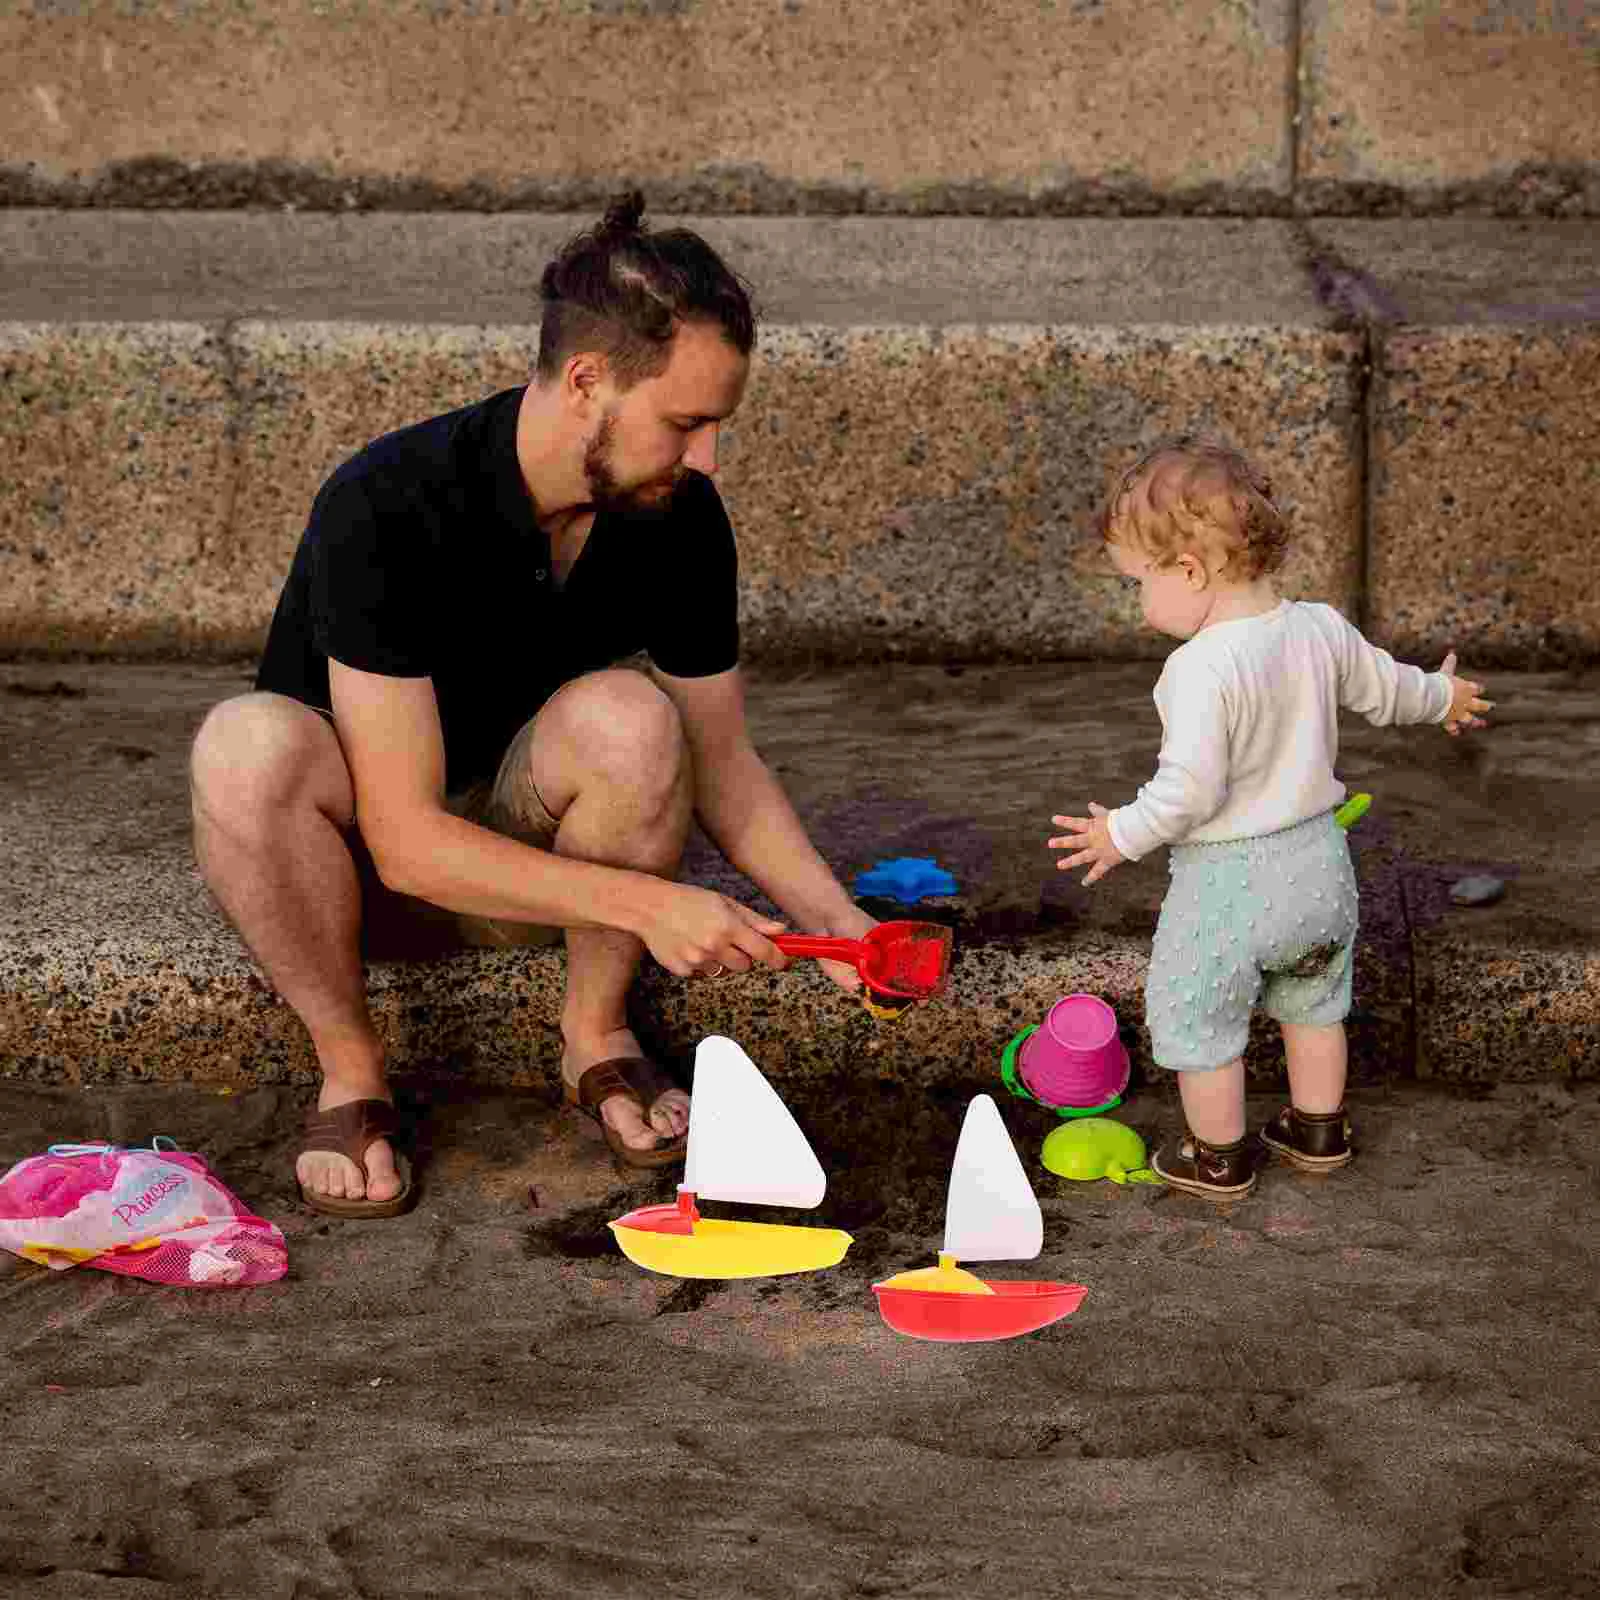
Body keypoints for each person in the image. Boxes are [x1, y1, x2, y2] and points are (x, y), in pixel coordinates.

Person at [190, 191, 876, 1217]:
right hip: (354, 876)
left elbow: (723, 763)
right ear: (589, 381)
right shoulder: (386, 503)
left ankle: (594, 1033)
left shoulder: (676, 515)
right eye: (686, 423)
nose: (707, 459)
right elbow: (407, 844)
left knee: (633, 716)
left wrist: (842, 927)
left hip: (534, 863)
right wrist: (655, 904)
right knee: (244, 744)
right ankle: (350, 1067)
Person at [1047, 439, 1493, 1199]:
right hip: (1320, 869)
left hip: (1229, 886)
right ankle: (1318, 1128)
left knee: (1200, 1019)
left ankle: (1217, 1157)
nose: (1140, 601)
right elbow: (1389, 689)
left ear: (1189, 571)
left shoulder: (1197, 670)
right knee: (1314, 1005)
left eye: (1138, 583)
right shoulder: (1317, 627)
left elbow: (1188, 791)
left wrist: (1118, 833)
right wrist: (1443, 697)